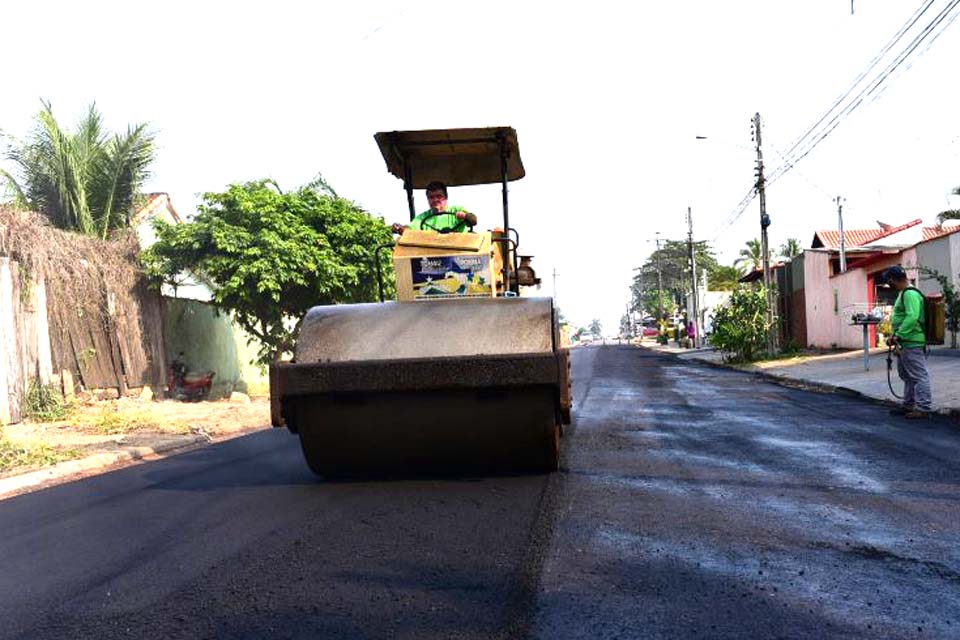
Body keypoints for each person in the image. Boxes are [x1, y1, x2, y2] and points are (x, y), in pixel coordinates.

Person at [886, 265, 932, 418]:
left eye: (889, 280)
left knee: (918, 376)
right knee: (907, 375)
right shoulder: (903, 293)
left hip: (912, 341)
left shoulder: (910, 294)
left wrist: (898, 335)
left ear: (893, 280)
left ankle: (923, 408)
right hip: (905, 342)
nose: (889, 284)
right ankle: (908, 405)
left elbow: (912, 316)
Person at [391, 181, 477, 235]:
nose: (435, 200)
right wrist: (401, 228)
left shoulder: (456, 211)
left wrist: (465, 217)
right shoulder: (422, 218)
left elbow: (473, 220)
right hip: (431, 258)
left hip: (459, 254)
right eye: (431, 197)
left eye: (439, 196)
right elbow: (410, 229)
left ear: (446, 197)